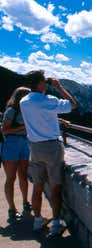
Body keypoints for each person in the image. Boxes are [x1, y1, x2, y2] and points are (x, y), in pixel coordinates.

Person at [20, 70, 76, 236]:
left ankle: (38, 220)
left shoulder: (24, 102)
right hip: (52, 148)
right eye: (44, 81)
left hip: (35, 147)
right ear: (39, 83)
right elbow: (72, 105)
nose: (46, 83)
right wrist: (59, 87)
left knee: (37, 186)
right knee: (55, 187)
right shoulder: (49, 100)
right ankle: (56, 224)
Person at [1, 87, 32, 223]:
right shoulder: (11, 111)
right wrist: (23, 126)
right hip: (11, 143)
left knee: (23, 176)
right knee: (11, 178)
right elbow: (5, 130)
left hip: (24, 143)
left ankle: (25, 202)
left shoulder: (26, 111)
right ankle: (12, 209)